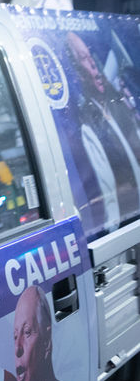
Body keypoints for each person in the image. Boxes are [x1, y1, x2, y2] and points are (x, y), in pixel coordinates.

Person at [66, 32, 140, 232]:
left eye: (90, 55)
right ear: (75, 74)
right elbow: (109, 198)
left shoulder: (117, 106)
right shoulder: (86, 124)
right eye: (83, 58)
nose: (93, 63)